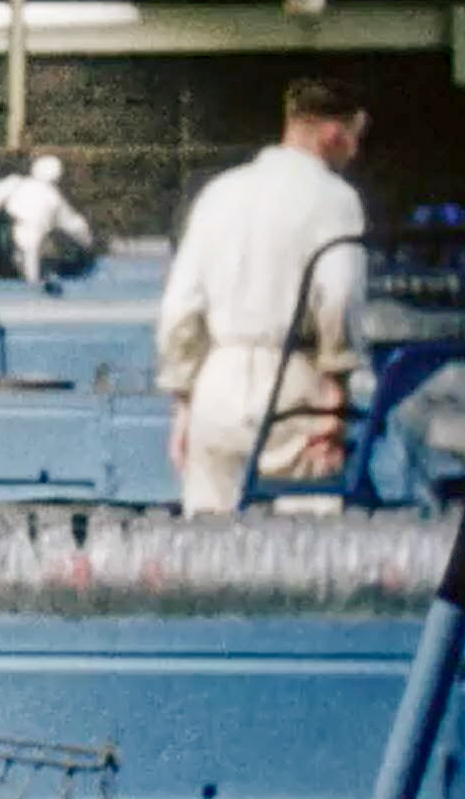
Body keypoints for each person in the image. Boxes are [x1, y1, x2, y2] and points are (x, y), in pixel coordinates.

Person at [155, 78, 371, 515]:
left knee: (213, 550)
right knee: (300, 552)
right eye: (356, 136)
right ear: (334, 132)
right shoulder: (335, 199)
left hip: (217, 386)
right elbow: (339, 298)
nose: (356, 151)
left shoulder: (219, 193)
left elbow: (180, 307)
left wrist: (184, 405)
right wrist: (335, 400)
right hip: (293, 386)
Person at [0, 155, 94, 287]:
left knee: (25, 259)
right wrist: (85, 238)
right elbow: (70, 221)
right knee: (29, 260)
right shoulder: (52, 195)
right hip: (24, 230)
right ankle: (30, 284)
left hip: (13, 230)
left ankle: (27, 282)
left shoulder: (16, 183)